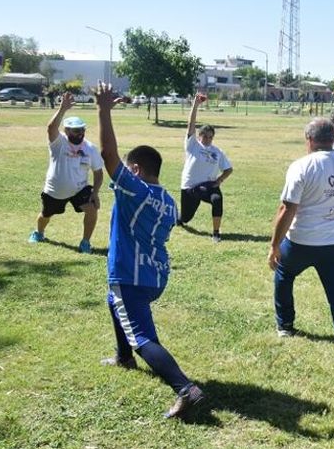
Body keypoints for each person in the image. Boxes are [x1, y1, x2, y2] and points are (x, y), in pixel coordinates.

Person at [93, 82, 203, 419]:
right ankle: (123, 356)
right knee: (115, 304)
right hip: (155, 274)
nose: (123, 172)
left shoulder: (135, 189)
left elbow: (108, 156)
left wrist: (104, 111)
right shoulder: (168, 201)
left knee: (141, 336)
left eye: (128, 168)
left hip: (130, 274)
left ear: (136, 170)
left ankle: (185, 388)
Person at [269, 80, 334, 378]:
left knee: (284, 274)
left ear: (309, 140)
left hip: (299, 242)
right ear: (333, 137)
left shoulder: (300, 166)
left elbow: (287, 210)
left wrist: (274, 245)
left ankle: (285, 325)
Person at [27, 92, 103, 253]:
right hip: (55, 190)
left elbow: (98, 172)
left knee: (91, 208)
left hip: (79, 189)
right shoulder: (58, 143)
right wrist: (62, 109)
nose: (80, 133)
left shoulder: (90, 148)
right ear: (66, 131)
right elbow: (51, 128)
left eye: (82, 130)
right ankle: (39, 233)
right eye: (75, 131)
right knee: (45, 215)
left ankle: (85, 243)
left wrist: (95, 193)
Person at [178, 93, 233, 243]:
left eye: (211, 137)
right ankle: (177, 218)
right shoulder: (193, 145)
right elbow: (191, 125)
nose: (208, 139)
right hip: (190, 187)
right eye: (205, 136)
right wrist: (195, 105)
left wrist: (220, 180)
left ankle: (216, 233)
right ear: (199, 135)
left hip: (209, 186)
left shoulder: (217, 151)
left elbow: (228, 169)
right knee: (186, 218)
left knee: (217, 199)